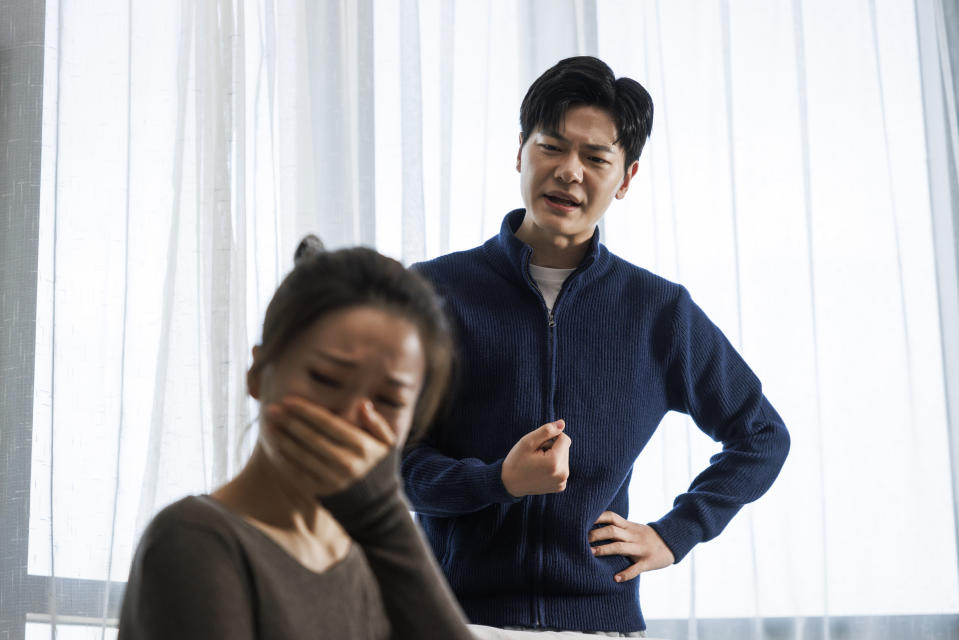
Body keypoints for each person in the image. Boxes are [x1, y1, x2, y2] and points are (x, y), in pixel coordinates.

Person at [401, 56, 791, 637]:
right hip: (451, 619)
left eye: (595, 158)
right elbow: (389, 462)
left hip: (600, 624)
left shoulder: (658, 310)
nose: (569, 172)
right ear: (519, 152)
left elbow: (760, 435)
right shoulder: (431, 293)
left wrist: (675, 533)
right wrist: (497, 482)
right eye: (552, 147)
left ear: (626, 178)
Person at [118, 237, 474, 639]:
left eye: (388, 400)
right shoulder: (195, 540)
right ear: (258, 373)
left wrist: (383, 519)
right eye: (325, 379)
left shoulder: (377, 556)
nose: (350, 417)